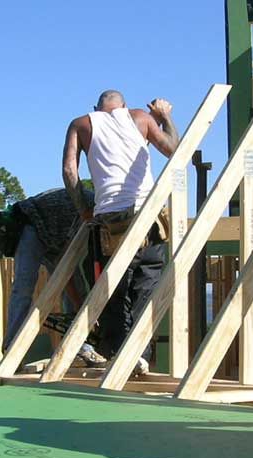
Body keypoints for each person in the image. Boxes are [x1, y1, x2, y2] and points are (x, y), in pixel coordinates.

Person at [62, 89, 180, 374]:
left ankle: (115, 351)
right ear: (123, 106)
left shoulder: (81, 123)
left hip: (108, 220)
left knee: (113, 286)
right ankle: (139, 355)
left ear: (96, 107)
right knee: (146, 281)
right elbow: (174, 150)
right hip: (146, 214)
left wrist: (84, 210)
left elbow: (69, 171)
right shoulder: (140, 117)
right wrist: (165, 118)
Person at [0, 187, 106, 368]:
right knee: (24, 285)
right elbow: (64, 268)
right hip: (32, 226)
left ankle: (81, 347)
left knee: (77, 288)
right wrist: (79, 305)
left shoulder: (98, 215)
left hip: (54, 235)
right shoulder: (88, 210)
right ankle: (12, 348)